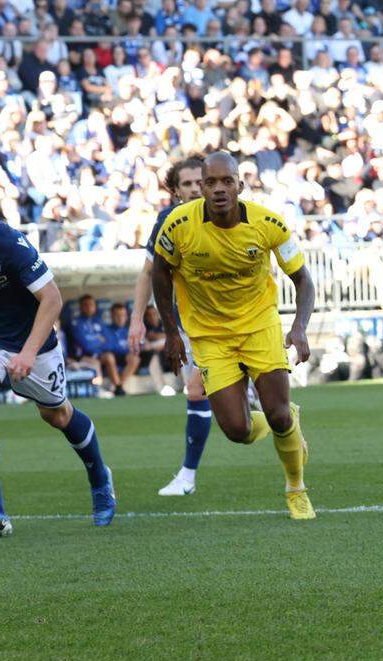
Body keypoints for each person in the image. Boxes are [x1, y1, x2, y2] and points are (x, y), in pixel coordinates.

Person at [151, 152, 318, 520]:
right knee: (237, 430)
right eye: (211, 182)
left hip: (259, 326)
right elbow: (160, 274)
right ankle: (287, 423)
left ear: (240, 186)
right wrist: (171, 333)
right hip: (210, 337)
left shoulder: (268, 222)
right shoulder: (179, 225)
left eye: (227, 181)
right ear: (202, 189)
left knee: (276, 415)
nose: (219, 189)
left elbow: (303, 279)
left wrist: (299, 326)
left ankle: (296, 490)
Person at [0, 219, 116, 534]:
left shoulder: (6, 240)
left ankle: (100, 477)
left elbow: (52, 299)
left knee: (58, 415)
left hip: (32, 340)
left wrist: (28, 353)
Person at [127, 155, 217, 497]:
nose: (196, 189)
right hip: (192, 327)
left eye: (201, 182)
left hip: (239, 323)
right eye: (188, 184)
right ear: (176, 191)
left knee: (246, 416)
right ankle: (188, 476)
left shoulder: (232, 213)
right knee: (201, 396)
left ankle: (188, 475)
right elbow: (149, 272)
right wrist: (137, 319)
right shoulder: (168, 220)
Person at [103, 302, 142, 389]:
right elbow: (107, 347)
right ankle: (118, 385)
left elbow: (137, 347)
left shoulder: (128, 330)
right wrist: (124, 349)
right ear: (112, 316)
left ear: (126, 316)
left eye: (123, 315)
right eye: (117, 315)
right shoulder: (105, 329)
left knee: (135, 358)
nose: (120, 318)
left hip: (124, 357)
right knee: (109, 356)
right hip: (111, 358)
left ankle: (119, 386)